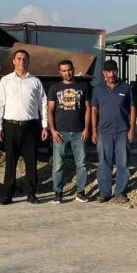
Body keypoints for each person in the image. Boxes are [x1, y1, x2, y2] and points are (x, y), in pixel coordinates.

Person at [0, 49, 48, 204]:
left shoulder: (35, 81)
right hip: (11, 126)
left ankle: (32, 194)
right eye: (18, 58)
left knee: (31, 162)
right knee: (10, 162)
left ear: (28, 61)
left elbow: (43, 104)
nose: (21, 61)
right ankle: (7, 195)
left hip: (30, 127)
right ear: (14, 61)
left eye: (24, 59)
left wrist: (45, 126)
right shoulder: (5, 81)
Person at [91, 59, 136, 203]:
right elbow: (94, 110)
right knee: (104, 163)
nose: (112, 74)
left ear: (117, 71)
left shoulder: (125, 88)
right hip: (104, 132)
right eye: (108, 71)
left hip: (122, 131)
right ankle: (105, 192)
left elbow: (132, 109)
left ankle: (120, 192)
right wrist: (94, 130)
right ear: (104, 73)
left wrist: (132, 129)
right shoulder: (98, 89)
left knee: (122, 163)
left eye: (114, 71)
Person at [48, 59, 91, 203]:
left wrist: (86, 128)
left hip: (79, 132)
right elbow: (50, 111)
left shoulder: (83, 86)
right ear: (60, 72)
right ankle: (58, 192)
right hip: (60, 133)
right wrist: (53, 131)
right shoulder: (55, 88)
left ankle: (80, 191)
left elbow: (88, 110)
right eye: (64, 70)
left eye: (69, 69)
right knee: (58, 164)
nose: (68, 72)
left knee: (82, 164)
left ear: (73, 69)